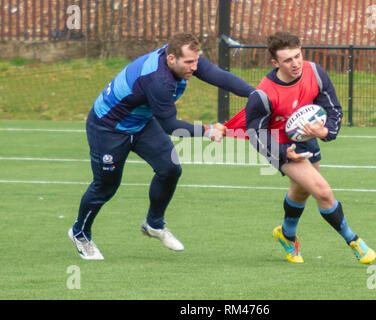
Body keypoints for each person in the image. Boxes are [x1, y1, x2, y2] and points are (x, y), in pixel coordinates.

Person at [68, 32, 255, 260]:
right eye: (189, 63)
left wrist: (255, 94)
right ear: (171, 59)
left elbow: (219, 77)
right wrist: (207, 130)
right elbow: (169, 125)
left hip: (141, 122)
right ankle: (79, 233)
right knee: (105, 187)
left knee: (170, 169)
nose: (194, 67)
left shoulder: (183, 56)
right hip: (108, 127)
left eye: (196, 61)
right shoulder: (158, 80)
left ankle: (154, 224)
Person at [225, 32, 376, 264]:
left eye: (297, 56)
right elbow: (256, 134)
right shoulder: (263, 94)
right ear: (275, 63)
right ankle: (354, 241)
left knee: (302, 189)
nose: (295, 64)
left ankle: (286, 235)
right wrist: (283, 153)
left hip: (306, 136)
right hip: (280, 143)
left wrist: (326, 132)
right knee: (322, 191)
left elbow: (333, 107)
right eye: (287, 60)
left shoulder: (315, 72)